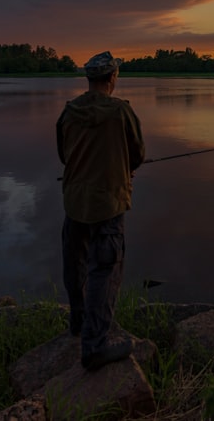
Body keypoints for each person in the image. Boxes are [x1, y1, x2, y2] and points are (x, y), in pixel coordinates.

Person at [56, 50, 145, 370]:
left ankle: (78, 323)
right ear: (112, 78)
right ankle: (93, 346)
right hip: (108, 203)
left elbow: (64, 155)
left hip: (75, 201)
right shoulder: (121, 112)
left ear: (89, 79)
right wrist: (122, 168)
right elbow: (138, 153)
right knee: (104, 270)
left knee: (76, 264)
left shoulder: (68, 112)